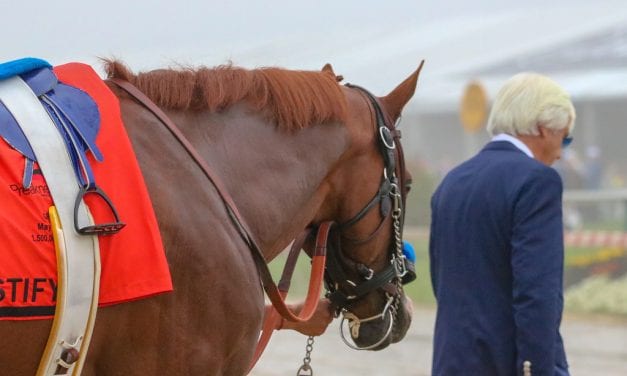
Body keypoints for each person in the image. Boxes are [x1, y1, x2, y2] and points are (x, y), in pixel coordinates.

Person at [429, 73, 575, 375]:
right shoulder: (537, 181)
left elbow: (441, 280)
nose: (562, 153)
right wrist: (535, 368)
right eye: (565, 137)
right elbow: (537, 292)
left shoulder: (451, 182)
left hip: (452, 361)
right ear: (543, 128)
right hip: (507, 363)